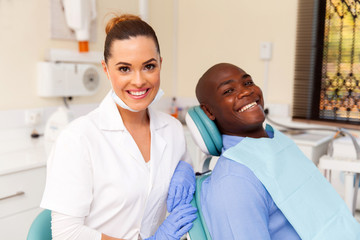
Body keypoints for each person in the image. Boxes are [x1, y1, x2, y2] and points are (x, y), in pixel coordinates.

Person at [40, 14, 197, 240]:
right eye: (124, 69)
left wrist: (189, 173)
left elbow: (180, 202)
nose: (139, 80)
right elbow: (67, 233)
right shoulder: (79, 138)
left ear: (160, 64)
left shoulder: (172, 130)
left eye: (149, 66)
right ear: (106, 69)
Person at [195, 63, 360, 239]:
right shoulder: (234, 179)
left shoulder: (276, 141)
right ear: (209, 111)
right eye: (228, 91)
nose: (246, 92)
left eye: (248, 83)